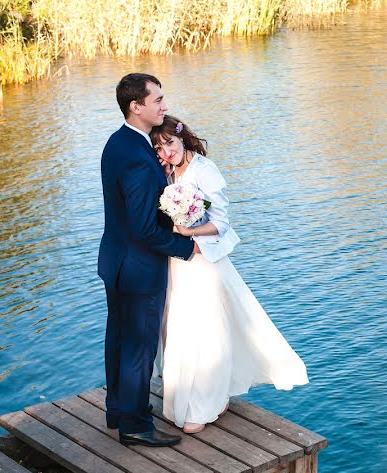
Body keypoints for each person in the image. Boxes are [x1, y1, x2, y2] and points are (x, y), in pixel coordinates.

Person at [151, 115, 308, 433]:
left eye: (170, 143)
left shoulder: (205, 171)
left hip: (203, 261)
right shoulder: (168, 172)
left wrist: (185, 228)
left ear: (182, 137)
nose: (166, 152)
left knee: (207, 330)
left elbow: (220, 223)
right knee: (178, 327)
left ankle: (206, 402)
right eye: (159, 147)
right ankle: (186, 399)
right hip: (177, 263)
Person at [98, 74, 200, 447]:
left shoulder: (118, 142)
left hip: (115, 261)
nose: (164, 105)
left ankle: (118, 410)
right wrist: (186, 248)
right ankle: (136, 425)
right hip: (139, 267)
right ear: (135, 107)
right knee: (140, 346)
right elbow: (144, 228)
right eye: (157, 100)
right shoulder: (140, 159)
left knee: (119, 338)